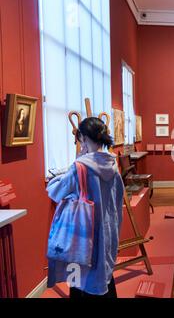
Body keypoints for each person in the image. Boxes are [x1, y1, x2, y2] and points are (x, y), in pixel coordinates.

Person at [47, 117, 124, 298]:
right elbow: (117, 200)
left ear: (82, 137)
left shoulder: (80, 166)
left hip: (84, 234)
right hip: (108, 230)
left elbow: (55, 191)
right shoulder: (113, 164)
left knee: (81, 281)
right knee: (104, 275)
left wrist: (66, 171)